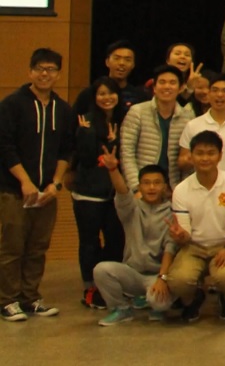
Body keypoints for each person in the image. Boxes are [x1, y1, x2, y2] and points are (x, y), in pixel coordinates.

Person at [166, 131, 225, 322]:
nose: (205, 158)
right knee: (178, 280)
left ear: (220, 156)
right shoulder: (181, 190)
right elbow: (185, 234)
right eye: (199, 153)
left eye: (211, 153)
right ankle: (193, 300)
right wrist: (179, 235)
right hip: (193, 247)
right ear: (191, 156)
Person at [90, 154, 175, 326]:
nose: (151, 187)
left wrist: (162, 278)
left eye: (157, 183)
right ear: (139, 186)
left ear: (165, 186)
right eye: (146, 183)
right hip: (133, 273)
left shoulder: (173, 211)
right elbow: (123, 192)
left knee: (158, 302)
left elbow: (170, 247)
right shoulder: (131, 209)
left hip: (157, 274)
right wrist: (113, 169)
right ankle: (121, 309)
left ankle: (154, 306)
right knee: (101, 270)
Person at [72, 77, 127, 309]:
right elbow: (85, 159)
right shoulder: (86, 121)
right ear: (94, 97)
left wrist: (115, 142)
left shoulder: (124, 120)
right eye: (101, 94)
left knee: (116, 240)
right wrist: (86, 135)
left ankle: (107, 283)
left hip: (116, 193)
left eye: (111, 93)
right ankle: (90, 288)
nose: (107, 98)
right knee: (90, 242)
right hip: (89, 193)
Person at [120, 65, 193, 193]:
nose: (167, 87)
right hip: (142, 186)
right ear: (154, 87)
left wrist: (182, 190)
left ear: (181, 88)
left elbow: (188, 159)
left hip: (173, 189)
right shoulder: (137, 112)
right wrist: (137, 187)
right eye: (162, 82)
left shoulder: (188, 117)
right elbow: (126, 153)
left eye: (172, 83)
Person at [74, 40, 149, 113]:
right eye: (117, 58)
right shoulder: (89, 94)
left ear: (133, 65)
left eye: (127, 60)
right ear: (107, 62)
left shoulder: (140, 96)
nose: (121, 63)